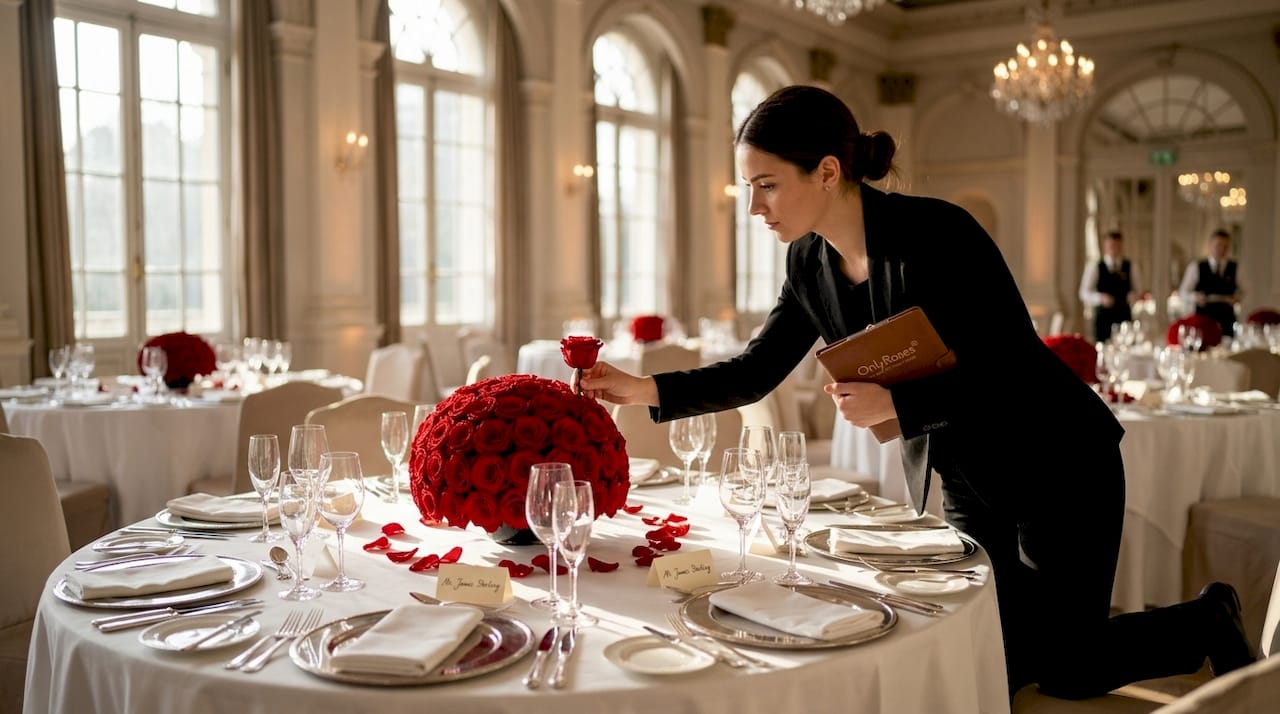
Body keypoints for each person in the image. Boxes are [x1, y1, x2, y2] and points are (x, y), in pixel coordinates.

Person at [578, 85, 1252, 700]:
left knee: (1072, 668)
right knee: (995, 653)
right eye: (749, 187)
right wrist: (641, 388)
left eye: (767, 185)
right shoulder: (807, 262)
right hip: (964, 474)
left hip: (1058, 461)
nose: (754, 206)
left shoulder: (939, 233)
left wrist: (898, 408)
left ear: (828, 172)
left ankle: (1206, 618)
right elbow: (757, 369)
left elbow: (1009, 364)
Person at [1079, 230, 1141, 343]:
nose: (1114, 248)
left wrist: (1134, 296)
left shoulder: (1130, 266)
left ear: (1121, 245)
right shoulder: (1095, 266)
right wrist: (1100, 298)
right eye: (1111, 245)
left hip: (1124, 316)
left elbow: (1138, 290)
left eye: (1117, 245)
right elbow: (1083, 292)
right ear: (1105, 245)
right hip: (1103, 318)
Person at [1179, 229, 1243, 337]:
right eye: (1218, 245)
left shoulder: (1236, 268)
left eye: (1225, 246)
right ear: (1210, 245)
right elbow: (1183, 292)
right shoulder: (1196, 266)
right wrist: (1195, 297)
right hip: (1203, 317)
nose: (1222, 249)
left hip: (1226, 318)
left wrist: (1237, 298)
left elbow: (1244, 290)